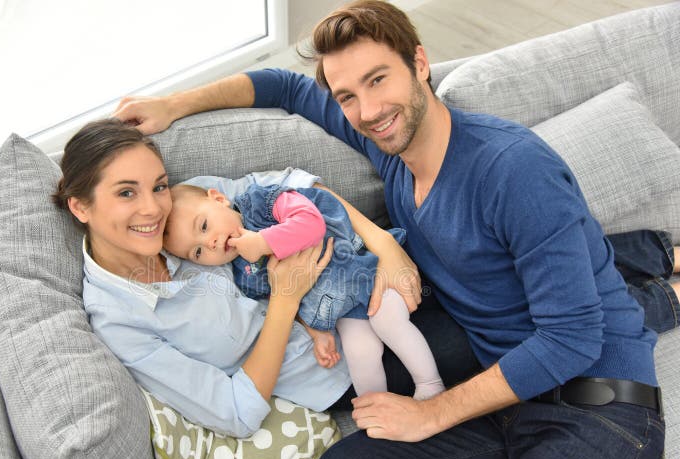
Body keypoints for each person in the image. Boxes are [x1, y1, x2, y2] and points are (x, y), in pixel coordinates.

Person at [112, 1, 666, 459]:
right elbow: (285, 86)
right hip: (508, 409)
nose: (368, 111)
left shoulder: (513, 169)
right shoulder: (391, 147)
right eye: (348, 95)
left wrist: (432, 414)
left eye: (379, 80)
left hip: (598, 414)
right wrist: (173, 105)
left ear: (419, 64)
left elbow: (570, 339)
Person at [51, 118, 474, 440]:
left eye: (157, 186)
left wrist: (385, 245)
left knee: (475, 263)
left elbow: (295, 187)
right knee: (488, 338)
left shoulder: (188, 205)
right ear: (80, 207)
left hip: (361, 271)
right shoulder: (120, 321)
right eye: (126, 193)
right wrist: (289, 299)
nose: (153, 209)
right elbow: (236, 413)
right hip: (344, 366)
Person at [164, 180, 445, 399]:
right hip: (341, 308)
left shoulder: (260, 203)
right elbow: (284, 298)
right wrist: (317, 332)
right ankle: (379, 408)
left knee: (387, 322)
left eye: (203, 226)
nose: (210, 243)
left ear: (219, 198)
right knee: (359, 351)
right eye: (198, 252)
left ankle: (430, 385)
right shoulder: (244, 275)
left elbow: (311, 222)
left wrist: (263, 242)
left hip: (368, 270)